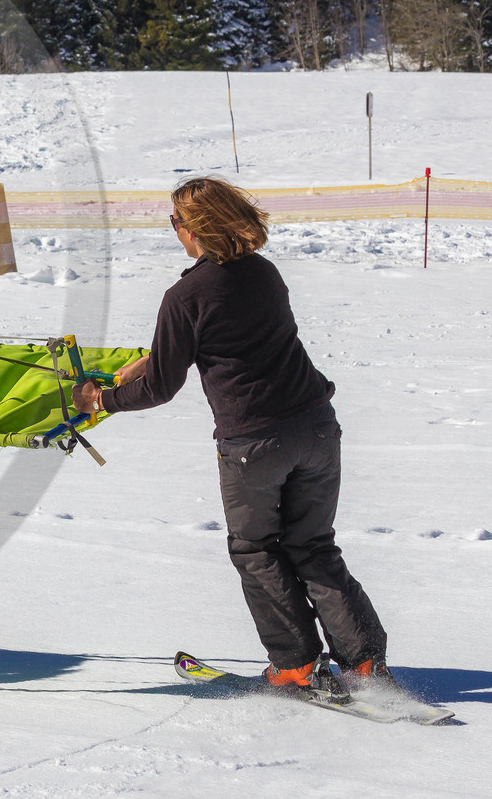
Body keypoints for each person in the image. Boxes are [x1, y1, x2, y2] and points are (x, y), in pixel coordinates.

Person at [72, 176, 390, 693]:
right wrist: (152, 359)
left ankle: (294, 667)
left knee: (256, 549)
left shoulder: (184, 296)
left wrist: (100, 400)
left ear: (192, 230)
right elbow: (236, 333)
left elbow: (160, 389)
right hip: (315, 426)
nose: (172, 229)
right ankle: (364, 663)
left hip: (253, 445)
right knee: (312, 544)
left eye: (175, 221)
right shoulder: (263, 273)